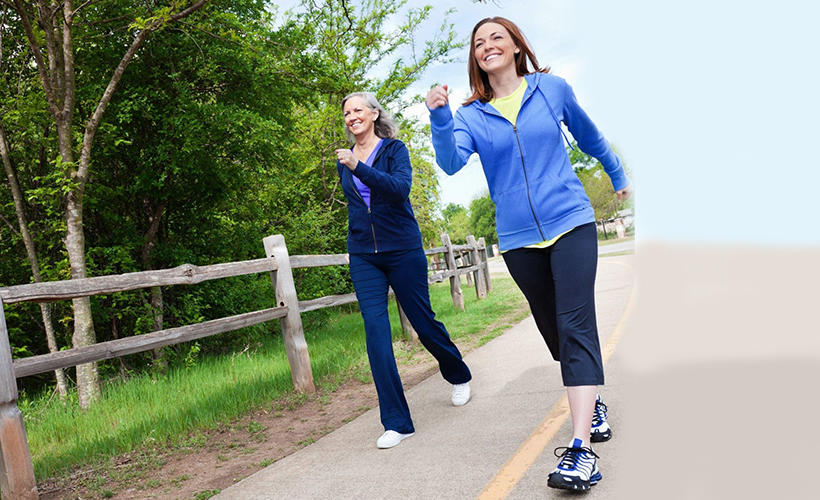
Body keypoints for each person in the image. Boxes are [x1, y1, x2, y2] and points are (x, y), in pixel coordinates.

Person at [425, 17, 632, 491]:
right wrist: (440, 117)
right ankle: (592, 399)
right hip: (519, 239)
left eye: (496, 37)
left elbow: (589, 136)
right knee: (553, 328)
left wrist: (617, 173)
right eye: (479, 43)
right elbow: (451, 163)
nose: (487, 46)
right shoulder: (471, 116)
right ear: (475, 58)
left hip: (571, 221)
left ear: (516, 46)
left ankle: (581, 451)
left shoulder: (551, 89)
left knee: (575, 324)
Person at [335, 92, 473, 450]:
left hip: (402, 250)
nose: (351, 116)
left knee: (423, 322)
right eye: (346, 113)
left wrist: (357, 166)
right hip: (364, 256)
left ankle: (458, 374)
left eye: (357, 110)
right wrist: (354, 243)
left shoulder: (394, 150)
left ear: (373, 113)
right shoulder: (344, 159)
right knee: (376, 334)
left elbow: (399, 190)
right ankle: (397, 422)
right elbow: (356, 207)